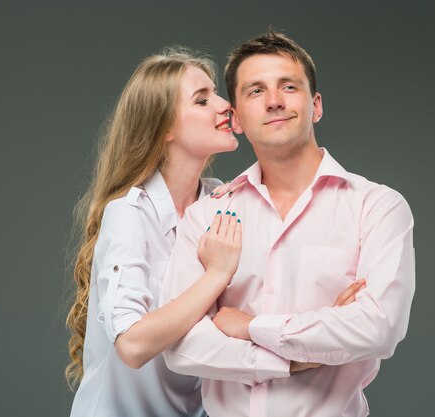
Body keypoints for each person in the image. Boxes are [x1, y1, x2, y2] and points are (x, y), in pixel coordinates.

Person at [160, 31, 416, 417]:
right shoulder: (207, 215)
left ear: (316, 106)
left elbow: (378, 329)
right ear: (238, 119)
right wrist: (297, 355)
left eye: (289, 87)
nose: (275, 101)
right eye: (256, 91)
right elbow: (180, 347)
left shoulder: (376, 207)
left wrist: (251, 327)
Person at [65, 48, 243, 417]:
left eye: (216, 93)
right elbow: (131, 345)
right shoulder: (129, 214)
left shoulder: (220, 199)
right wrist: (216, 276)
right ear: (165, 129)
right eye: (202, 99)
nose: (226, 104)